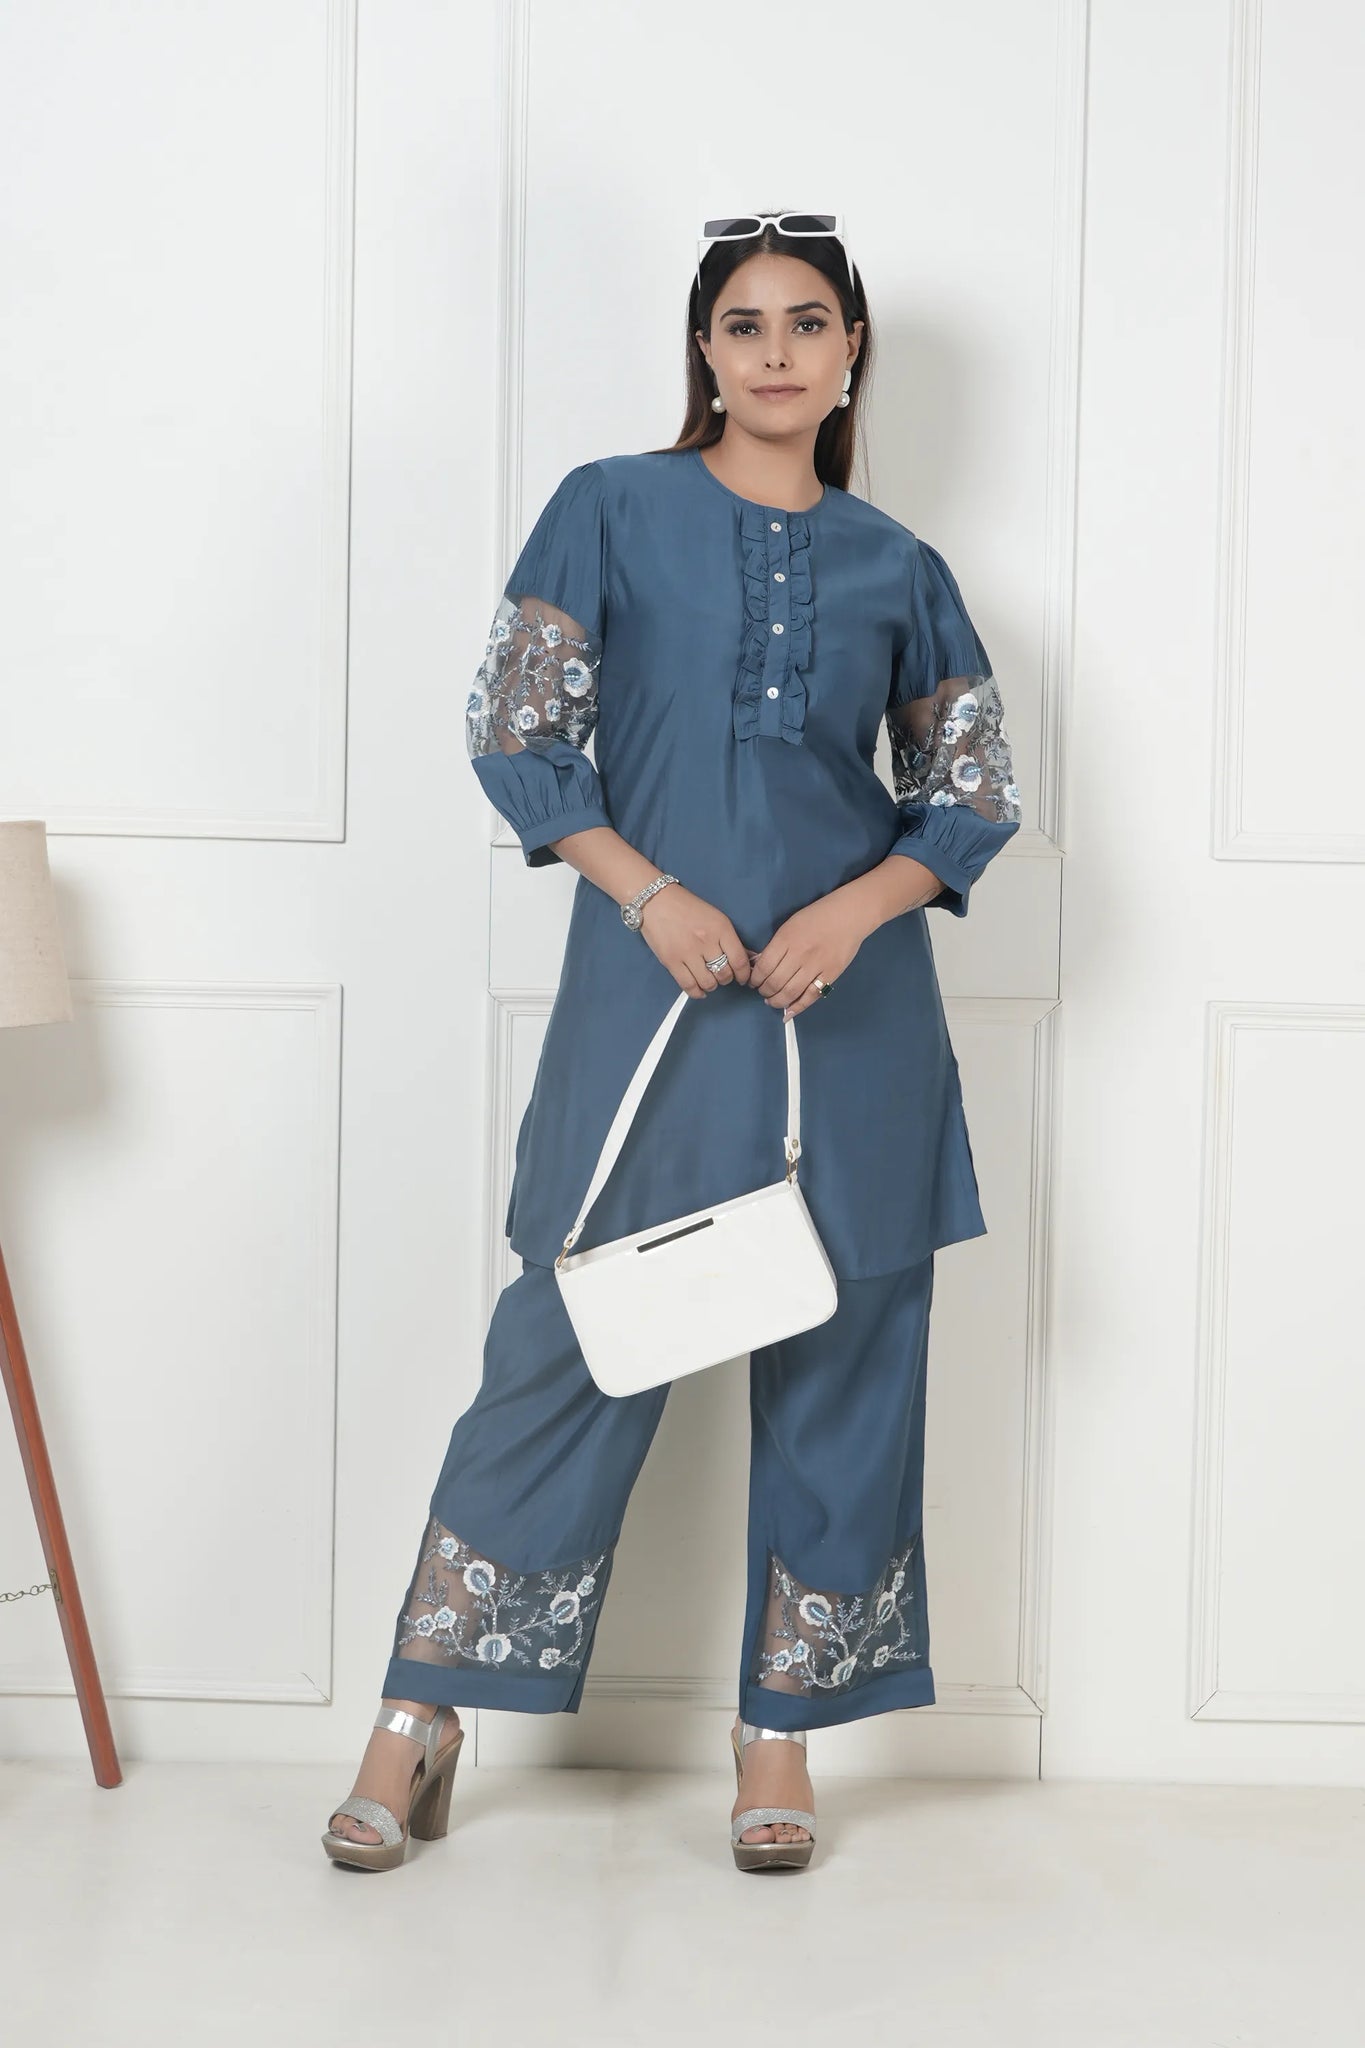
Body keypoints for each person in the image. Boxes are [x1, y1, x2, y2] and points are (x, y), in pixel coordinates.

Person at [323, 211, 1021, 1874]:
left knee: (849, 1350)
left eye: (806, 322)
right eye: (742, 324)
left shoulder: (898, 564)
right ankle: (421, 1716)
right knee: (567, 1340)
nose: (774, 351)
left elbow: (969, 789)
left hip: (847, 1019)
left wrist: (856, 913)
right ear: (702, 351)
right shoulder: (610, 508)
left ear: (848, 351)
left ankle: (779, 1737)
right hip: (656, 1000)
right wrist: (645, 896)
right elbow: (518, 729)